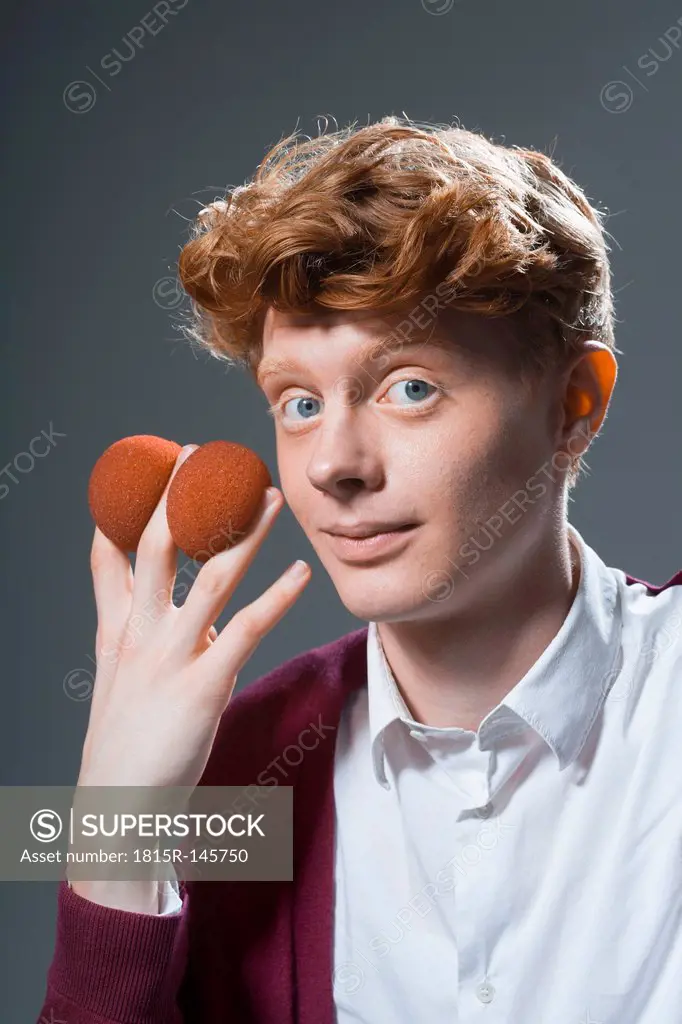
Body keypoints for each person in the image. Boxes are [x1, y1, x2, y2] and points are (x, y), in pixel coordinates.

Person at [38, 116, 682, 1024]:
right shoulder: (243, 778)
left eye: (408, 387)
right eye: (298, 402)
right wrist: (115, 828)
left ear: (574, 403)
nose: (333, 464)